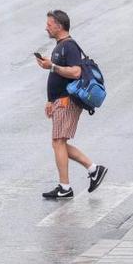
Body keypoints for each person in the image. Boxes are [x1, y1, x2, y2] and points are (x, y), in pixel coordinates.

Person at [35, 10, 107, 199]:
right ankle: (93, 170)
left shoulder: (70, 46)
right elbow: (57, 76)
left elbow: (75, 72)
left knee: (59, 142)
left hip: (67, 101)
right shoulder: (60, 46)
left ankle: (65, 187)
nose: (46, 27)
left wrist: (51, 66)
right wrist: (50, 100)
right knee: (58, 142)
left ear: (59, 26)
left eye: (49, 24)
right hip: (59, 101)